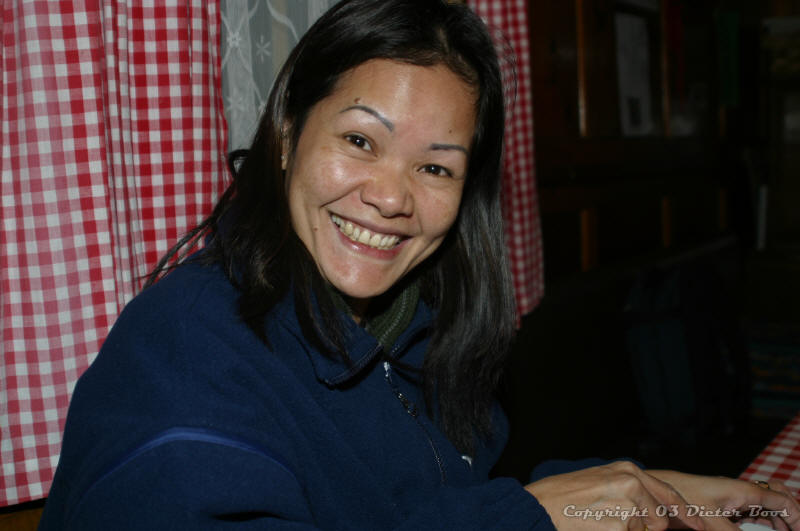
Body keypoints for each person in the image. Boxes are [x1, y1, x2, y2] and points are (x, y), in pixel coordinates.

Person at [38, 0, 800, 529]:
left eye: (435, 167)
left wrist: (650, 494)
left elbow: (431, 507)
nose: (391, 197)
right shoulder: (183, 350)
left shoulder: (417, 323)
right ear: (286, 136)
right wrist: (526, 517)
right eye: (360, 141)